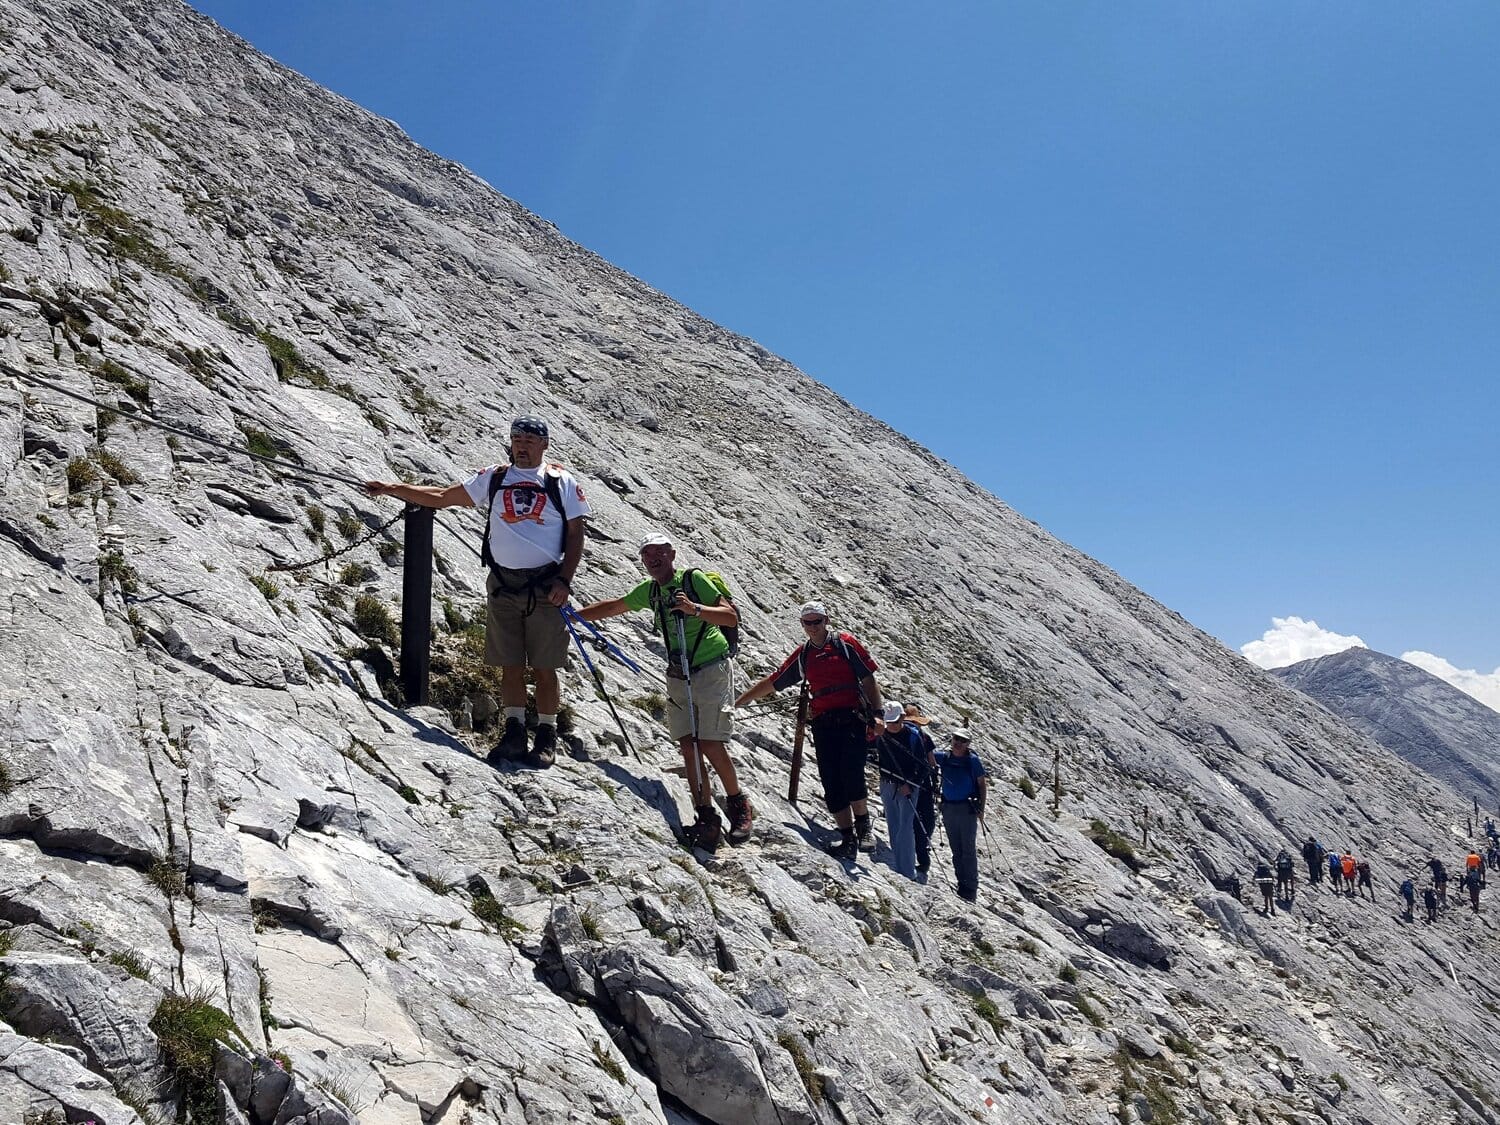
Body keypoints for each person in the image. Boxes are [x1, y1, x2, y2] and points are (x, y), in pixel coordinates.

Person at [365, 414, 588, 768]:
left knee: (545, 666)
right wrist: (394, 488)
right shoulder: (495, 477)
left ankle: (546, 735)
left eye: (530, 441)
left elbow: (576, 535)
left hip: (546, 585)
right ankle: (514, 732)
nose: (522, 446)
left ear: (544, 445)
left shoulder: (561, 482)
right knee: (509, 664)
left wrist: (564, 580)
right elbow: (442, 496)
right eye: (518, 439)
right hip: (503, 584)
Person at [577, 534, 748, 849]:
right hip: (678, 673)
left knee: (709, 743)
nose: (653, 558)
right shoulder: (651, 591)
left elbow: (730, 616)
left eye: (659, 552)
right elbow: (616, 606)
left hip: (711, 668)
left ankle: (738, 806)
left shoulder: (693, 580)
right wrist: (573, 616)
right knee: (688, 746)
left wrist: (694, 608)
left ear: (672, 554)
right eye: (647, 554)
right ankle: (706, 817)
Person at [736, 603, 884, 860]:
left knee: (851, 771)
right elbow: (775, 680)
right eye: (808, 623)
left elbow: (869, 678)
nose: (813, 627)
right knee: (830, 780)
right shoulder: (804, 654)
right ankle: (847, 837)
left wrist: (878, 715)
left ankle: (863, 827)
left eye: (817, 622)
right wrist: (740, 701)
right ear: (802, 624)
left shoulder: (846, 644)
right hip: (824, 722)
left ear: (826, 620)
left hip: (852, 718)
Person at [874, 702, 934, 880]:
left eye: (895, 721)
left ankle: (907, 870)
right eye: (889, 722)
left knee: (906, 826)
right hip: (887, 784)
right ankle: (900, 864)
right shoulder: (880, 735)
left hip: (908, 786)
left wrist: (911, 783)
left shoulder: (913, 737)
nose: (892, 725)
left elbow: (924, 767)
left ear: (902, 718)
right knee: (893, 824)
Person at [934, 729, 989, 902]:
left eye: (963, 740)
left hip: (967, 808)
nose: (958, 742)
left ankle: (971, 887)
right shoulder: (944, 757)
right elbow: (924, 755)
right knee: (956, 849)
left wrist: (981, 808)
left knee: (968, 849)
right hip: (949, 807)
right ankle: (961, 883)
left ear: (968, 744)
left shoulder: (972, 761)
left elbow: (982, 785)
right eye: (956, 738)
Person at [904, 704, 939, 877]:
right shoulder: (925, 738)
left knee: (913, 818)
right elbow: (932, 763)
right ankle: (923, 856)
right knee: (925, 817)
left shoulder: (901, 735)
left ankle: (918, 855)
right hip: (923, 783)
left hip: (906, 782)